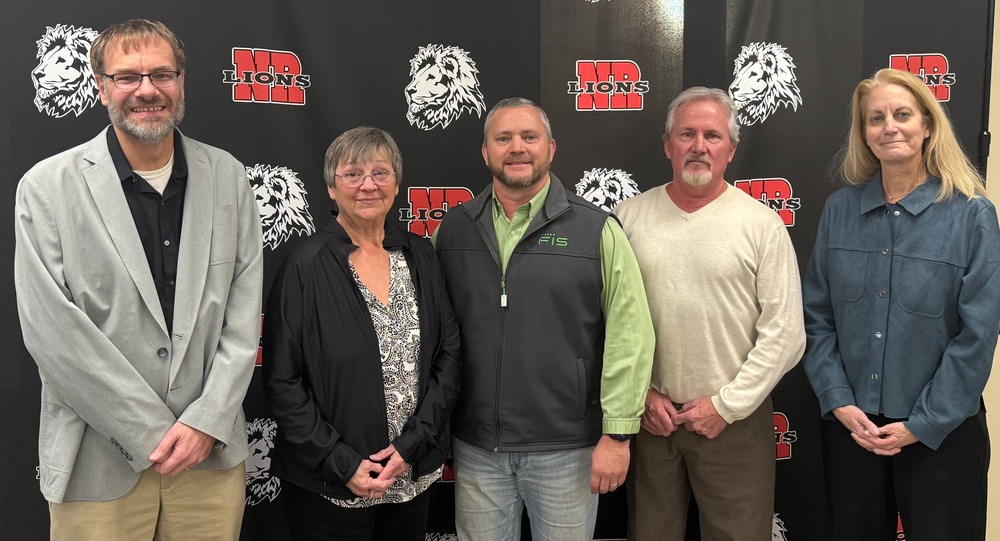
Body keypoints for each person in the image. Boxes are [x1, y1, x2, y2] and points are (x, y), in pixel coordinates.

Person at [13, 19, 263, 541]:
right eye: (127, 77)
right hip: (96, 463)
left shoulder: (229, 178)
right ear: (101, 85)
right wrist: (152, 432)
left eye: (161, 74)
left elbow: (243, 319)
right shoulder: (45, 187)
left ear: (182, 82)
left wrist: (205, 422)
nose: (147, 90)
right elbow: (53, 335)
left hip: (209, 458)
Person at [434, 97, 655, 540]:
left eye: (529, 137)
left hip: (566, 452)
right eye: (503, 138)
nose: (517, 148)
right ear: (486, 152)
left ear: (550, 148)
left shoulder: (597, 230)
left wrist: (618, 435)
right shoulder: (451, 231)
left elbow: (630, 335)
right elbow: (434, 337)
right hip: (478, 450)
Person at [802, 68, 1000, 541]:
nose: (889, 126)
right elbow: (816, 318)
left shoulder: (972, 215)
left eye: (902, 114)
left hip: (942, 438)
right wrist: (840, 402)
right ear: (865, 134)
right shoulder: (839, 212)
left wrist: (923, 423)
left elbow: (978, 334)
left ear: (928, 125)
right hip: (854, 434)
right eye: (876, 118)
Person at [614, 87, 805, 541]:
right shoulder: (627, 219)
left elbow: (786, 334)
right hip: (651, 420)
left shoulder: (762, 225)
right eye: (687, 134)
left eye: (712, 136)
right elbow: (606, 325)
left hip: (734, 423)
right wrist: (639, 398)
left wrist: (727, 405)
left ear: (731, 150)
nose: (699, 146)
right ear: (668, 145)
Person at [262, 126, 461, 541]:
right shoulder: (304, 265)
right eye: (353, 174)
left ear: (396, 183)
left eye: (380, 172)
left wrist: (411, 447)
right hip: (331, 483)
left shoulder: (419, 254)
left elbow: (448, 356)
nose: (368, 185)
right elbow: (283, 380)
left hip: (410, 475)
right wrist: (342, 462)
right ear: (331, 188)